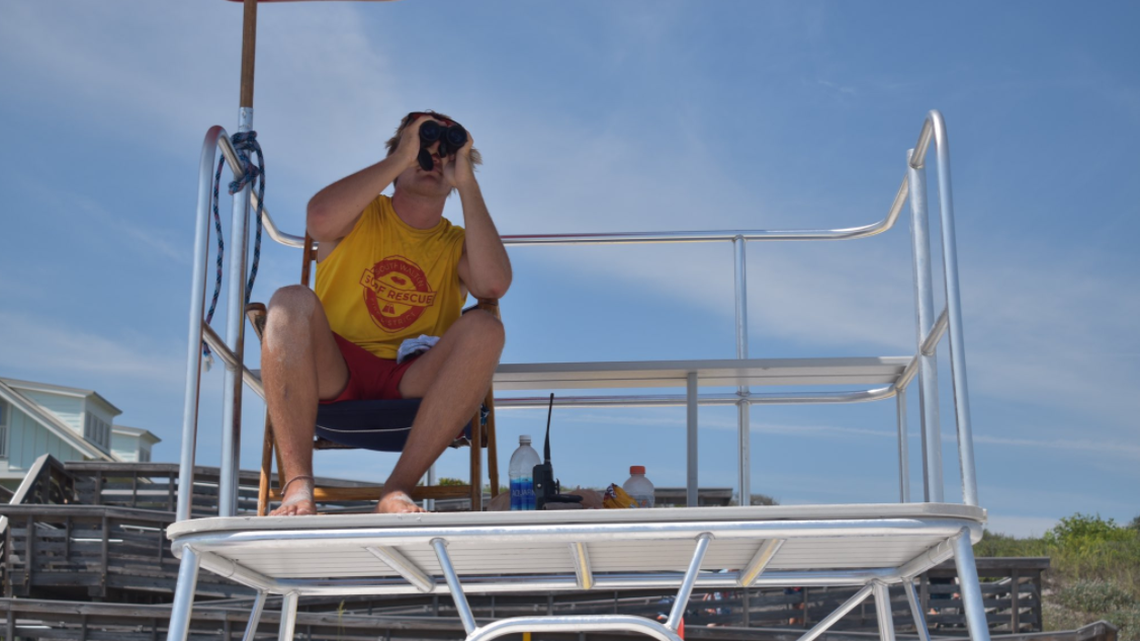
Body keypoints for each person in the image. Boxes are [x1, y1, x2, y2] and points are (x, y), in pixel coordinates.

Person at [260, 111, 511, 516]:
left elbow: (494, 285)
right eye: (421, 150)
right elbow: (318, 220)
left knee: (486, 328)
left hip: (411, 378)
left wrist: (466, 183)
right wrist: (401, 157)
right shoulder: (360, 212)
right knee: (290, 300)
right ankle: (297, 487)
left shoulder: (457, 243)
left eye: (442, 155)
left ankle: (396, 490)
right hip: (335, 368)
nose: (431, 160)